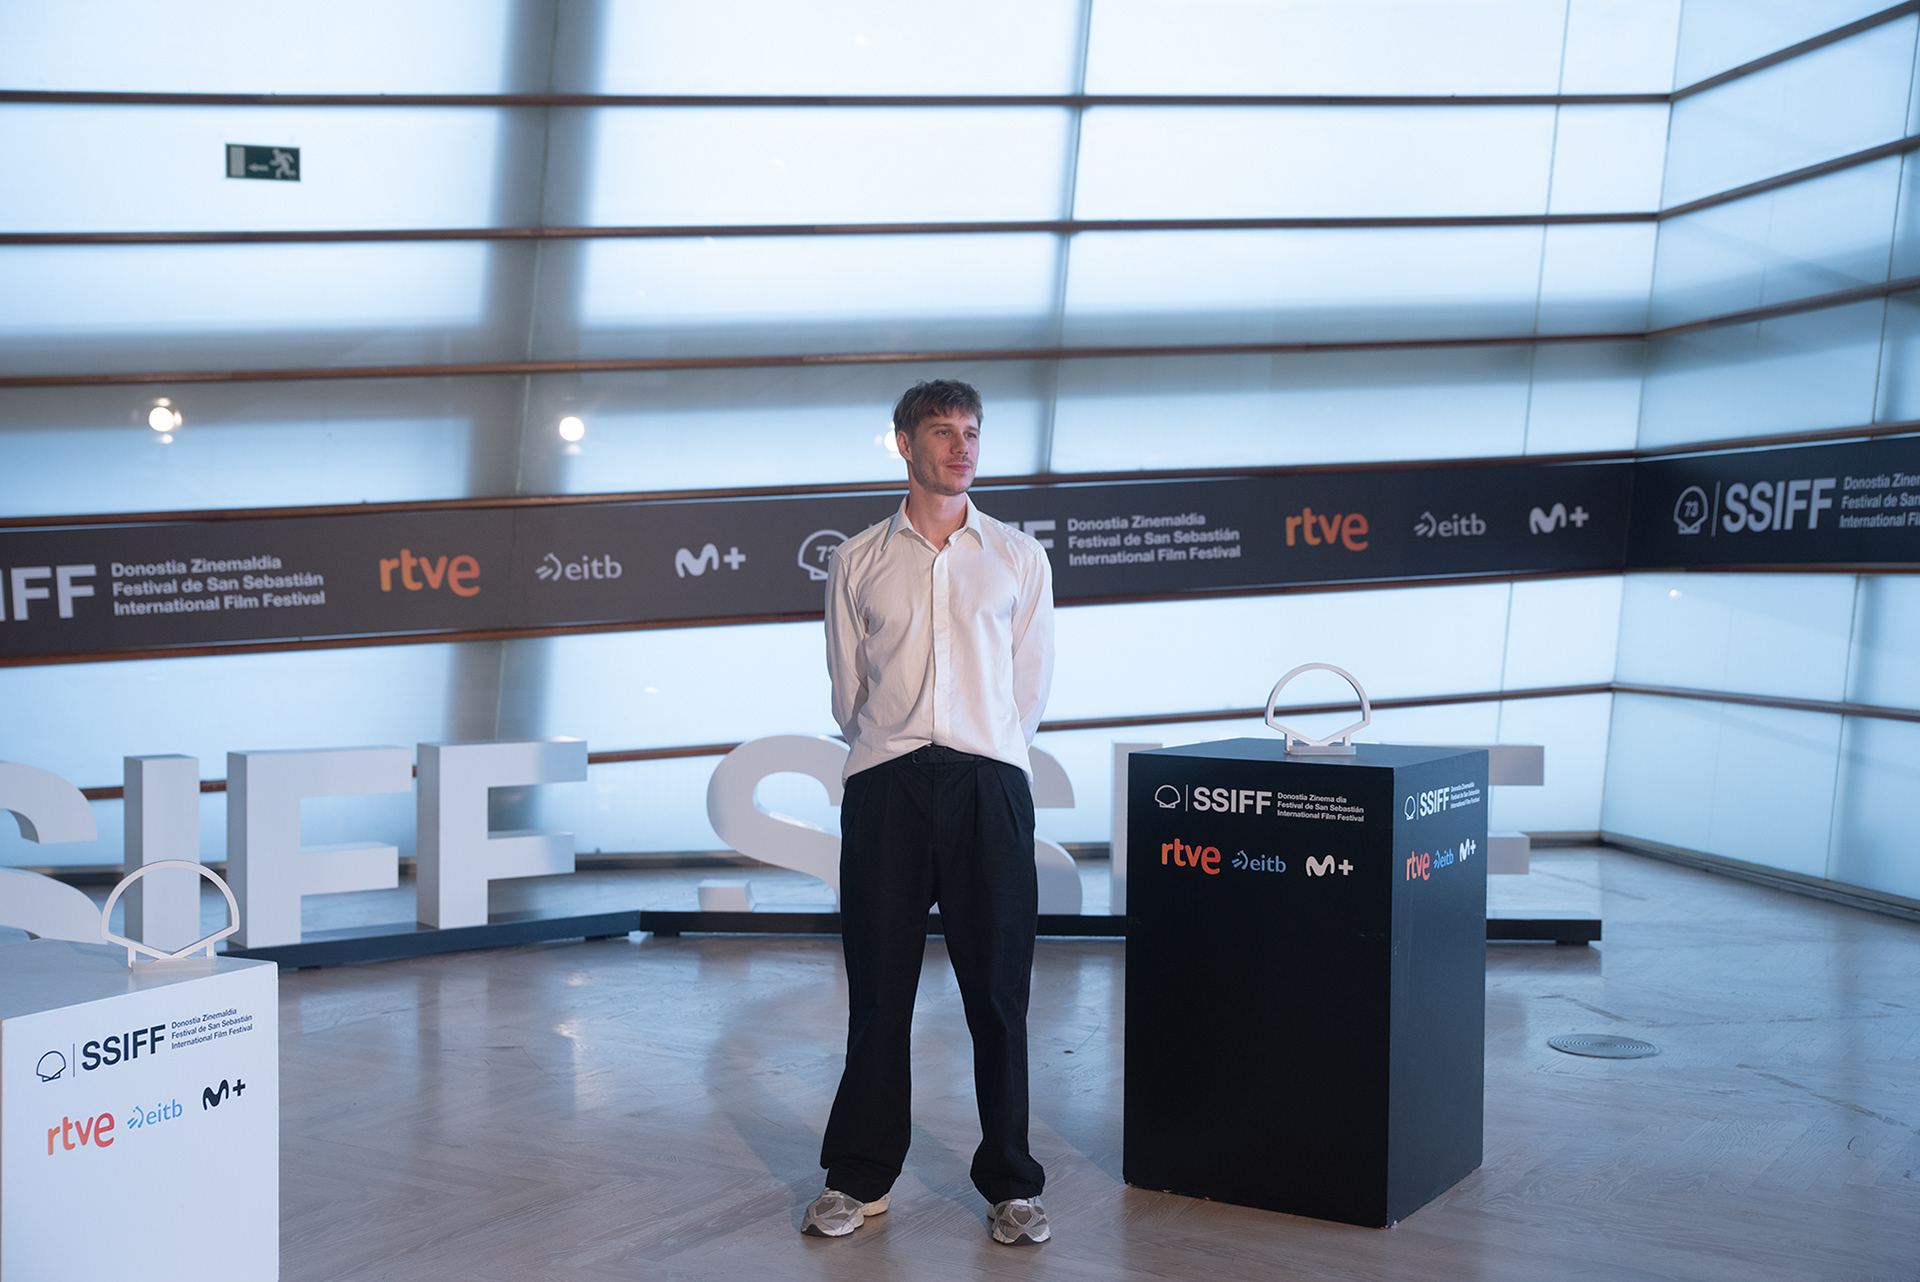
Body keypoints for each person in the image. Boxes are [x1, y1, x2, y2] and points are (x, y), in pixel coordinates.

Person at [802, 379, 1056, 1246]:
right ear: (904, 444)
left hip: (990, 786)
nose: (962, 447)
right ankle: (858, 1178)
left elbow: (1028, 689)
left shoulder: (1018, 556)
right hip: (889, 785)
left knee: (999, 993)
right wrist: (900, 746)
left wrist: (981, 746)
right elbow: (849, 691)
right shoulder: (857, 559)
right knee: (880, 989)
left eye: (972, 431)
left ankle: (1013, 1185)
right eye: (943, 431)